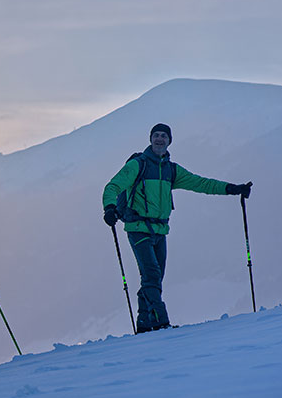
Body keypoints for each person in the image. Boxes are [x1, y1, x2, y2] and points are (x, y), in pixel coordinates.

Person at [102, 122, 252, 332]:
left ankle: (145, 325)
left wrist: (232, 189)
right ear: (150, 139)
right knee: (152, 275)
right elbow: (113, 186)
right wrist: (109, 208)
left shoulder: (171, 170)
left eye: (164, 135)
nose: (159, 139)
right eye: (156, 135)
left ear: (169, 141)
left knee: (154, 279)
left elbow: (201, 184)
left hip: (160, 231)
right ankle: (161, 323)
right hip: (138, 228)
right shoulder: (138, 165)